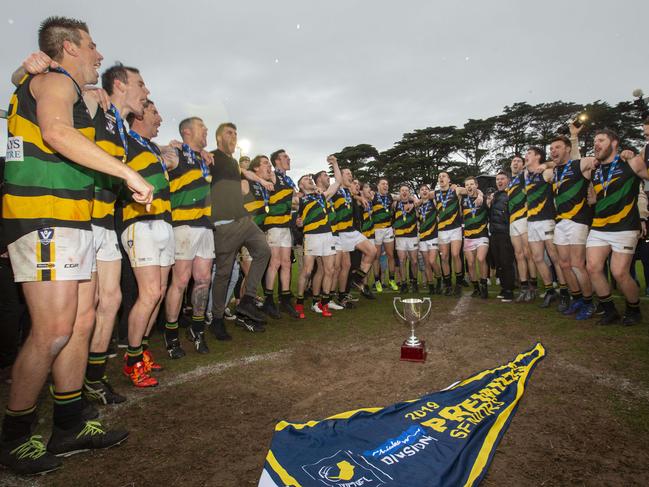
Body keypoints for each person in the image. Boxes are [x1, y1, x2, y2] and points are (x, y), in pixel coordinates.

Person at [0, 16, 152, 475]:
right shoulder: (52, 80)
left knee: (81, 323)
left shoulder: (65, 85)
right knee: (52, 331)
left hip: (72, 219)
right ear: (68, 47)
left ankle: (68, 423)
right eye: (91, 45)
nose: (99, 54)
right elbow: (55, 133)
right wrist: (127, 172)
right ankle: (15, 437)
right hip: (45, 218)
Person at [121, 100, 175, 382]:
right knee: (150, 293)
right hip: (140, 223)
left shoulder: (152, 148)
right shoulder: (125, 139)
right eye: (155, 112)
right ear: (139, 116)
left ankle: (141, 352)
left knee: (159, 293)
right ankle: (132, 361)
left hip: (164, 223)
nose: (160, 118)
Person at [210, 123, 270, 337]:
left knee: (264, 251)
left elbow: (244, 174)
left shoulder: (234, 163)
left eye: (236, 133)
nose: (234, 136)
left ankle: (247, 300)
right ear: (218, 138)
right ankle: (217, 319)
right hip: (224, 224)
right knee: (224, 274)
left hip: (244, 221)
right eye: (229, 133)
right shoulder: (211, 157)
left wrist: (260, 180)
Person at [586, 129, 649, 325]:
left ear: (614, 143)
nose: (596, 144)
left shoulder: (631, 162)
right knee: (593, 268)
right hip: (599, 226)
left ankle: (633, 309)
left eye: (601, 140)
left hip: (625, 226)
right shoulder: (595, 170)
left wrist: (644, 215)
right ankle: (609, 310)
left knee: (619, 272)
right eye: (594, 141)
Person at [549, 130, 595, 316]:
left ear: (568, 149)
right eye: (551, 148)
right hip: (560, 222)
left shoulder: (579, 164)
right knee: (564, 264)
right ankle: (576, 299)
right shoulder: (554, 170)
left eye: (558, 147)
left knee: (577, 264)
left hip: (578, 220)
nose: (553, 150)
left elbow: (592, 160)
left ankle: (589, 302)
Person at [523, 147, 573, 311]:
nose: (526, 155)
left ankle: (565, 292)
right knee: (537, 258)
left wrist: (547, 164)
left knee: (555, 257)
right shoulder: (526, 174)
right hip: (531, 222)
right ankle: (550, 290)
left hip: (547, 220)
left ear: (538, 156)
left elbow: (562, 165)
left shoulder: (546, 173)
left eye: (529, 153)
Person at [295, 157, 343, 317]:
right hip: (311, 237)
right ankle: (300, 304)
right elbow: (295, 216)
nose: (310, 179)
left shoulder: (322, 196)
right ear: (301, 185)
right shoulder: (299, 199)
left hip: (327, 235)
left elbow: (337, 183)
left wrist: (335, 164)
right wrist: (298, 222)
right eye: (306, 179)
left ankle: (324, 304)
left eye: (310, 178)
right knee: (307, 271)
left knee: (329, 270)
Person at [262, 149, 300, 318]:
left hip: (285, 226)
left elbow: (295, 200)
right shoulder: (272, 174)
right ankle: (268, 300)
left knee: (286, 263)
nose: (289, 158)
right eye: (285, 157)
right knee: (275, 262)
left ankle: (285, 299)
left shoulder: (289, 180)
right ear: (277, 161)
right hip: (274, 225)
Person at [332, 168, 377, 300]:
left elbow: (354, 194)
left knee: (372, 251)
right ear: (340, 176)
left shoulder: (347, 192)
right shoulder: (335, 191)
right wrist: (335, 164)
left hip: (353, 231)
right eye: (347, 174)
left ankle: (357, 279)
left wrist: (359, 196)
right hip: (341, 233)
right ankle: (342, 296)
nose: (350, 176)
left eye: (351, 174)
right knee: (345, 267)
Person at [507, 155, 536, 302]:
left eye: (519, 161)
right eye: (513, 161)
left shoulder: (525, 176)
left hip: (524, 218)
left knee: (528, 253)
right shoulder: (509, 182)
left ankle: (533, 286)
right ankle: (524, 287)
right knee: (518, 255)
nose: (515, 163)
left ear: (523, 165)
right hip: (513, 221)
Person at [487, 172, 516, 302]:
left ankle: (509, 290)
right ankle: (504, 288)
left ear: (508, 180)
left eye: (502, 179)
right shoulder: (495, 196)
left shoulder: (511, 193)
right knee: (498, 262)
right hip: (494, 233)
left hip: (505, 232)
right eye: (497, 179)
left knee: (506, 262)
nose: (499, 181)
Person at [435, 172, 464, 296]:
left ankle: (458, 284)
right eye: (439, 176)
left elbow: (470, 189)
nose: (441, 178)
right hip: (442, 231)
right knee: (444, 257)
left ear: (449, 180)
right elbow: (422, 196)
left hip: (455, 228)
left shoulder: (456, 190)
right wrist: (413, 201)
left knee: (456, 254)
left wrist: (479, 195)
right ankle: (447, 284)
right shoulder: (435, 194)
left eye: (444, 176)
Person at [461, 177, 490, 298]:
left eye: (471, 184)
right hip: (468, 236)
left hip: (482, 234)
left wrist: (481, 195)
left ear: (476, 185)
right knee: (471, 264)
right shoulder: (462, 199)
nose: (469, 186)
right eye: (467, 184)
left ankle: (484, 285)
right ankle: (476, 287)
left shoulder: (483, 199)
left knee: (481, 259)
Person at [371, 178, 399, 292]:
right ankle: (377, 281)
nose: (385, 185)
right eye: (383, 184)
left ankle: (391, 280)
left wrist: (413, 198)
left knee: (390, 255)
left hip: (388, 229)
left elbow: (402, 197)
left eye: (387, 184)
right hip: (377, 229)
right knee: (376, 257)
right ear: (378, 186)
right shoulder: (373, 196)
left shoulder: (390, 197)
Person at [392, 185, 419, 293]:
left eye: (406, 191)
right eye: (402, 191)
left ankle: (414, 282)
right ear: (399, 192)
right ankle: (404, 283)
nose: (404, 192)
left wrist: (414, 199)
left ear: (409, 193)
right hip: (400, 237)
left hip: (412, 236)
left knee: (415, 261)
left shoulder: (415, 204)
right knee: (402, 261)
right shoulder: (395, 204)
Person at [417, 184, 442, 294]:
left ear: (429, 191)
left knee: (432, 261)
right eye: (422, 190)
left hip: (433, 236)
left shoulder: (434, 202)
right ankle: (431, 285)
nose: (424, 191)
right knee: (426, 263)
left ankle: (439, 280)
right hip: (422, 237)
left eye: (426, 189)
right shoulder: (418, 206)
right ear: (419, 193)